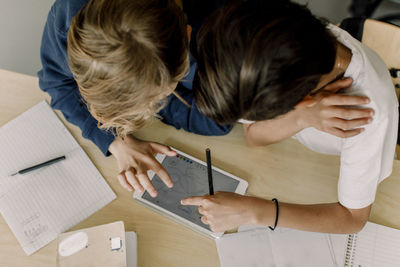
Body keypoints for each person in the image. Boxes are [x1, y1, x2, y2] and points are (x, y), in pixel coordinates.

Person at [39, 0, 373, 197]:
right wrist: (116, 142)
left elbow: (217, 119)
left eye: (162, 94)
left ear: (187, 38)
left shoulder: (228, 28)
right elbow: (56, 83)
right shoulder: (76, 20)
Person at [182, 0, 398, 234]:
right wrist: (302, 118)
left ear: (301, 101)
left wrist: (254, 212)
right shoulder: (294, 39)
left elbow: (352, 219)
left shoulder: (367, 117)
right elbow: (253, 135)